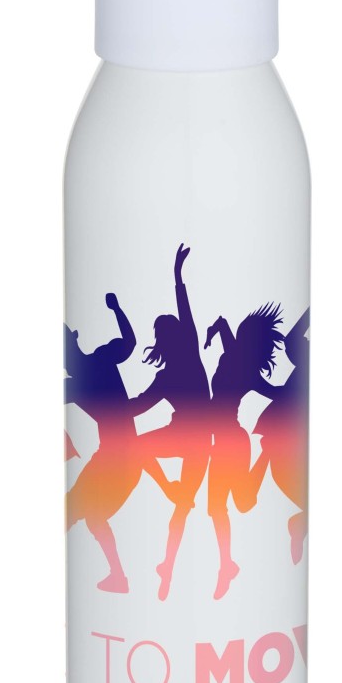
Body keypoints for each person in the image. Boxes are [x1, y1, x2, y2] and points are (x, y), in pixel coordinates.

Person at [65, 293, 179, 593]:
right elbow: (128, 342)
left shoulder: (97, 363)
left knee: (80, 511)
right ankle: (118, 577)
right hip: (114, 459)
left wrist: (117, 310)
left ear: (74, 342)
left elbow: (129, 342)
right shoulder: (79, 379)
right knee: (88, 515)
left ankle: (119, 577)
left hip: (119, 461)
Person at [127, 244, 211, 600]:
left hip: (187, 436)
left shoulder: (172, 371)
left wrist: (178, 277)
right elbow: (138, 406)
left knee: (138, 448)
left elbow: (136, 407)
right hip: (200, 439)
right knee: (181, 507)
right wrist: (177, 276)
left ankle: (167, 568)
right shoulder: (189, 355)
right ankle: (168, 565)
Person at [203, 302, 286, 599]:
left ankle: (267, 452)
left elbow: (276, 392)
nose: (238, 332)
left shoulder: (248, 371)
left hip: (233, 442)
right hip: (221, 443)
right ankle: (227, 565)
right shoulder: (231, 352)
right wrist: (211, 333)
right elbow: (222, 322)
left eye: (244, 332)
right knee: (218, 507)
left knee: (243, 503)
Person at [252, 309, 310, 563]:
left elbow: (292, 340)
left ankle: (299, 524)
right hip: (283, 448)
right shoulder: (304, 368)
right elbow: (292, 340)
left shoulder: (304, 370)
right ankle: (298, 524)